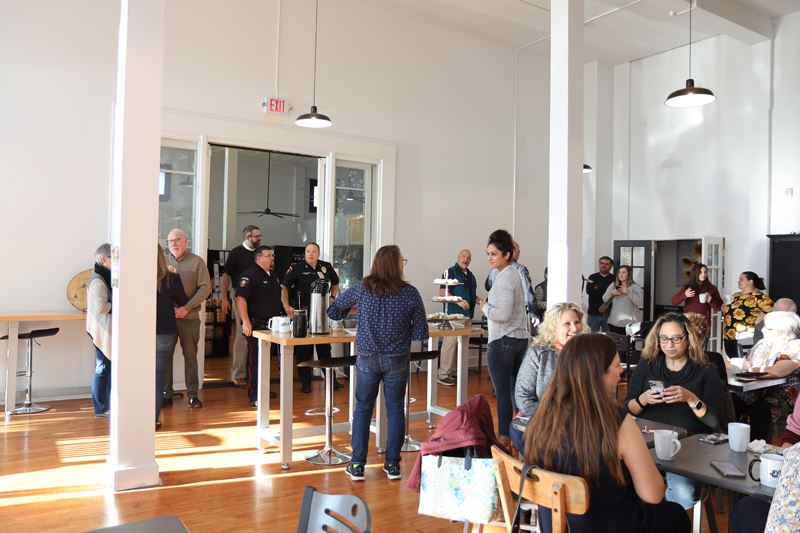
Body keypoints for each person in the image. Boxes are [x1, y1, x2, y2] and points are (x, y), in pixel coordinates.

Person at [524, 334, 690, 533]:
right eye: (617, 366)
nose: (621, 372)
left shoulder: (541, 416)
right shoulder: (615, 421)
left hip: (555, 525)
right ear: (598, 374)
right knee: (676, 515)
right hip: (610, 525)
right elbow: (653, 494)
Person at [327, 245, 427, 482]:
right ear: (396, 265)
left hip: (367, 358)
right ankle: (392, 464)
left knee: (363, 408)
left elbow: (333, 311)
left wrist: (356, 311)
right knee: (395, 410)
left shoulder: (362, 288)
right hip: (397, 359)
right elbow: (420, 331)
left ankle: (357, 464)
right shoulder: (410, 292)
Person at [625, 312, 724, 509]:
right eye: (664, 339)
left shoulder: (706, 371)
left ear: (688, 339)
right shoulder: (648, 364)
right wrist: (643, 399)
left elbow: (715, 423)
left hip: (687, 446)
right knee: (618, 483)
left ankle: (658, 521)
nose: (669, 344)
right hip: (647, 442)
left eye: (676, 339)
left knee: (683, 494)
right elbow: (629, 408)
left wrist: (690, 398)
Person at [475, 230, 529, 446]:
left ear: (507, 255)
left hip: (504, 341)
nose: (489, 258)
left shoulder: (507, 277)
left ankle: (505, 439)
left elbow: (503, 315)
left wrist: (484, 306)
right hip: (517, 340)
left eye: (494, 254)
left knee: (504, 394)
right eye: (488, 253)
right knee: (516, 392)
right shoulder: (510, 275)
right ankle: (520, 436)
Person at [510, 302, 586, 451]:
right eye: (567, 324)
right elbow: (523, 396)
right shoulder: (538, 353)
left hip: (578, 420)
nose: (575, 328)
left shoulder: (585, 353)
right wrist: (554, 418)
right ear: (553, 328)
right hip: (541, 418)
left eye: (577, 322)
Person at [281, 242, 340, 393]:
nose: (310, 254)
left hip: (322, 312)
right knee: (303, 349)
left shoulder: (325, 266)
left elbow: (336, 282)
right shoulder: (296, 268)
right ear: (305, 253)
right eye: (308, 251)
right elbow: (284, 287)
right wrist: (287, 306)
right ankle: (305, 382)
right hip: (303, 312)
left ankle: (331, 381)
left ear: (318, 254)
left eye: (314, 251)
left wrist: (332, 297)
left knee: (324, 348)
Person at [164, 229, 211, 409]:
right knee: (165, 356)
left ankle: (193, 395)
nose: (173, 244)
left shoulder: (197, 262)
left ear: (186, 242)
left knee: (190, 357)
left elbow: (205, 288)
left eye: (177, 240)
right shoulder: (163, 262)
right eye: (170, 241)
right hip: (166, 319)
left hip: (189, 318)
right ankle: (165, 393)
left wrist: (186, 308)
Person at [736, 311, 800, 440]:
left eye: (769, 328)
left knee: (759, 409)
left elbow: (779, 370)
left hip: (781, 400)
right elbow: (743, 363)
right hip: (755, 393)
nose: (763, 330)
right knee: (728, 400)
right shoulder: (763, 344)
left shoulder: (795, 346)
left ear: (785, 332)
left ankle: (758, 449)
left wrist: (750, 368)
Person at [236, 246, 282, 406]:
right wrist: (246, 322)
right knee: (255, 360)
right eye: (268, 255)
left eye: (272, 255)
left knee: (266, 360)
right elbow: (241, 298)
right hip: (256, 324)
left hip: (272, 325)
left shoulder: (272, 275)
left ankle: (264, 389)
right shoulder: (250, 275)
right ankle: (254, 394)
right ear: (259, 258)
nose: (272, 258)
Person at [220, 225, 262, 385]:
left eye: (260, 236)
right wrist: (224, 298)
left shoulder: (260, 253)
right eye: (257, 236)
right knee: (243, 331)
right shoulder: (236, 253)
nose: (260, 238)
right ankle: (238, 373)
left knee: (258, 331)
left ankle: (255, 372)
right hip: (239, 295)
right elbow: (226, 277)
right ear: (247, 237)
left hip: (258, 295)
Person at [155, 245, 189, 428]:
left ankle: (136, 415)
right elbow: (183, 301)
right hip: (164, 331)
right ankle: (153, 417)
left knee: (138, 374)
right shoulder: (172, 278)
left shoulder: (134, 277)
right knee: (158, 375)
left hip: (139, 332)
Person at [437, 249, 477, 386]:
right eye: (463, 256)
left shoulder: (471, 276)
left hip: (468, 316)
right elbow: (442, 292)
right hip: (453, 314)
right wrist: (459, 302)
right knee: (450, 343)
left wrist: (477, 299)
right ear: (458, 257)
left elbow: (469, 294)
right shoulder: (450, 272)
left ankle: (453, 372)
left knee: (462, 345)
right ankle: (443, 374)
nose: (466, 259)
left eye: (468, 257)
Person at [86, 243, 112, 418]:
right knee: (102, 368)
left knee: (104, 367)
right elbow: (103, 308)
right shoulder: (97, 280)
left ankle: (105, 406)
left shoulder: (101, 276)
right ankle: (101, 408)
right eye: (113, 257)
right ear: (104, 259)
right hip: (101, 329)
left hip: (102, 328)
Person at [721, 271, 773, 358]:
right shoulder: (736, 295)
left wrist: (758, 321)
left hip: (745, 337)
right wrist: (724, 306)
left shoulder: (759, 296)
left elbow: (771, 309)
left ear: (750, 282)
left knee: (745, 362)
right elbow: (727, 311)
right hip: (729, 335)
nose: (738, 281)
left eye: (741, 279)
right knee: (734, 361)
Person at [602, 265, 643, 335]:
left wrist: (628, 293)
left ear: (629, 274)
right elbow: (604, 299)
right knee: (615, 344)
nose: (621, 274)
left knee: (628, 345)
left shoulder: (635, 287)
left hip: (631, 324)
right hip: (614, 322)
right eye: (619, 272)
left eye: (624, 272)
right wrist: (611, 294)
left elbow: (640, 302)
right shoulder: (613, 285)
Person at [586, 256, 615, 332]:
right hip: (593, 313)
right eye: (601, 263)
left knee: (609, 338)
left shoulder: (614, 279)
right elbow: (589, 291)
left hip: (609, 314)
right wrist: (607, 291)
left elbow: (615, 294)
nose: (603, 265)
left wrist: (597, 288)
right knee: (591, 338)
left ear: (610, 266)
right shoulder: (592, 277)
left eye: (606, 264)